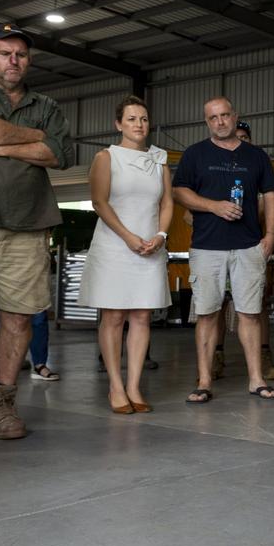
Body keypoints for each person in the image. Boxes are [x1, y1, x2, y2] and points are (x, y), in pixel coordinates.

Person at [0, 24, 75, 440]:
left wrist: (2, 144)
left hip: (27, 224)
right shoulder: (41, 117)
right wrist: (33, 138)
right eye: (4, 53)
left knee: (18, 315)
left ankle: (1, 404)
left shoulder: (46, 104)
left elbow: (61, 153)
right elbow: (42, 146)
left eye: (20, 55)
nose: (14, 61)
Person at [172, 97, 274, 404]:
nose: (220, 121)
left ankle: (256, 380)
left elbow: (271, 194)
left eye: (225, 115)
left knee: (250, 314)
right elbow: (179, 191)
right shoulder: (195, 155)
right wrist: (213, 206)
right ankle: (204, 381)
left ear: (235, 116)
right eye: (213, 117)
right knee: (206, 314)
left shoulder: (256, 156)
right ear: (207, 122)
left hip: (248, 245)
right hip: (207, 247)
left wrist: (270, 235)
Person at [79, 96, 172, 414]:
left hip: (150, 245)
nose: (139, 124)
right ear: (119, 124)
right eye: (132, 119)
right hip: (115, 246)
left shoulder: (159, 159)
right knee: (114, 316)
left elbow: (167, 203)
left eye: (144, 119)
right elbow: (100, 203)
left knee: (142, 316)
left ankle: (134, 386)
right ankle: (116, 387)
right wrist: (129, 237)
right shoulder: (106, 157)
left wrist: (160, 235)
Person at [233, 120, 274, 381]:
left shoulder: (258, 165)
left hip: (254, 246)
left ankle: (264, 353)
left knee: (258, 305)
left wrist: (269, 235)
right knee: (216, 306)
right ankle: (216, 354)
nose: (241, 140)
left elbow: (272, 203)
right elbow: (188, 216)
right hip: (219, 244)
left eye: (245, 137)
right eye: (237, 136)